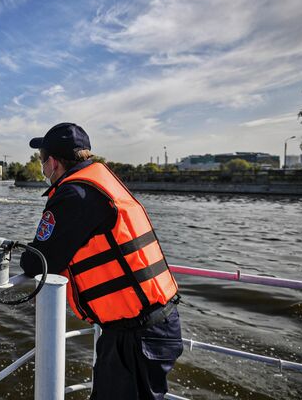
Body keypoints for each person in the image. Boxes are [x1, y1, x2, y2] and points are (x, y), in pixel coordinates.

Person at [20, 122, 182, 400]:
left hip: (135, 336)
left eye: (41, 160)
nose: (41, 167)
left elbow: (37, 262)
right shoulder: (100, 181)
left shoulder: (75, 195)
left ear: (54, 163)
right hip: (150, 325)